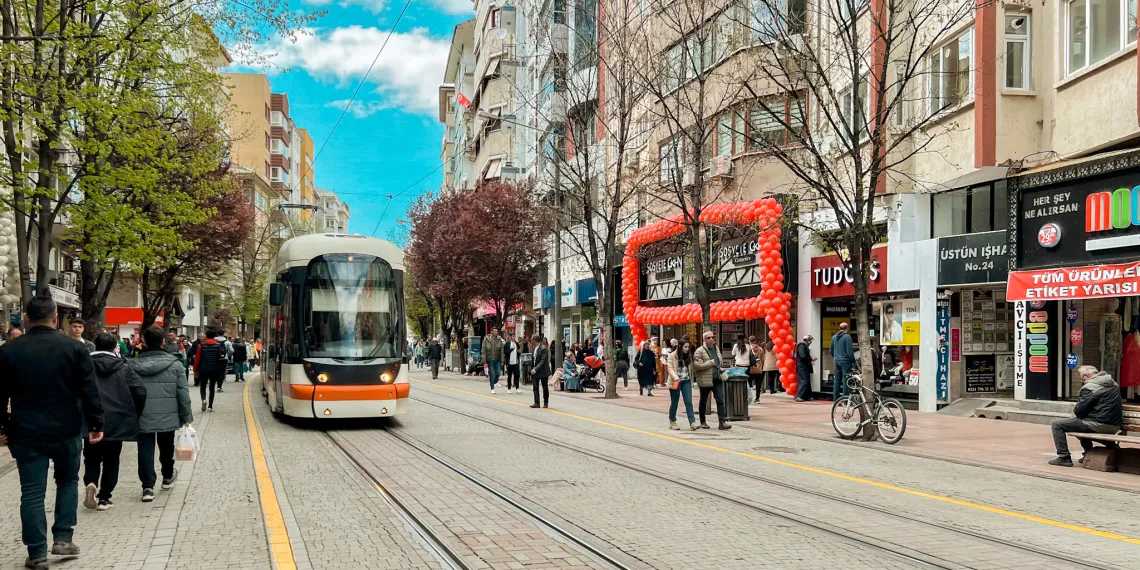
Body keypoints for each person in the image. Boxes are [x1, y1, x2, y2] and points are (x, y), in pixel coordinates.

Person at [0, 296, 105, 570]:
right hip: (67, 428)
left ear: (26, 318)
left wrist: (3, 425)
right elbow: (90, 389)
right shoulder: (74, 348)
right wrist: (96, 423)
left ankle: (36, 552)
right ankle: (63, 538)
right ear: (56, 318)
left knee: (32, 491)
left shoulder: (9, 351)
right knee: (68, 481)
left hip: (25, 430)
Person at [83, 333, 146, 512]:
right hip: (117, 419)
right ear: (114, 347)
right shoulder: (123, 367)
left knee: (91, 456)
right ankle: (104, 498)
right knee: (112, 458)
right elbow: (140, 391)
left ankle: (91, 482)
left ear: (95, 346)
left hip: (91, 419)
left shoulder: (85, 366)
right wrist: (134, 413)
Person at [130, 326, 193, 502]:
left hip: (142, 415)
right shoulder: (175, 364)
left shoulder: (132, 365)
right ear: (163, 341)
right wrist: (186, 416)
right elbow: (182, 392)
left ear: (144, 341)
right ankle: (167, 475)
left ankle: (147, 487)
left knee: (145, 449)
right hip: (168, 413)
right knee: (166, 446)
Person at [1049, 365, 1123, 467]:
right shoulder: (1113, 384)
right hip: (1114, 425)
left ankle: (1064, 457)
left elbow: (1080, 412)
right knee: (1079, 424)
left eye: (1082, 378)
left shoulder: (1090, 387)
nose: (1082, 381)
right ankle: (1092, 452)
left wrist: (1076, 407)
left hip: (1098, 424)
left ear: (1087, 375)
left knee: (1057, 424)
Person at [693, 330, 731, 430]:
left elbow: (718, 362)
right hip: (705, 379)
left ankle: (722, 422)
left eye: (712, 337)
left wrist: (719, 368)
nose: (711, 339)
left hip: (717, 378)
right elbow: (695, 366)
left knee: (720, 399)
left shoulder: (716, 348)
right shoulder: (699, 351)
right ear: (704, 339)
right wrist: (709, 363)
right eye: (708, 338)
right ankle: (703, 421)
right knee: (703, 400)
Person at [667, 339, 698, 431]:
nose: (687, 349)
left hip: (686, 381)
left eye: (688, 347)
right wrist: (676, 377)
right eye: (685, 347)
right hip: (675, 381)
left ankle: (692, 422)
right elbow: (670, 368)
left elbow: (692, 366)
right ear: (680, 346)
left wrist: (698, 362)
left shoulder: (688, 356)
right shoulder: (672, 356)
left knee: (688, 402)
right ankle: (672, 421)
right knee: (674, 402)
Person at [192, 329, 227, 412]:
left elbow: (197, 359)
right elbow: (219, 356)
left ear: (206, 336)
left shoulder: (201, 345)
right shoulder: (218, 345)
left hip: (203, 368)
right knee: (212, 387)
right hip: (214, 369)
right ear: (214, 336)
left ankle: (203, 399)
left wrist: (195, 370)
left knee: (203, 385)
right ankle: (210, 406)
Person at [830, 322, 855, 401]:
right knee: (846, 380)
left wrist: (835, 357)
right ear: (847, 328)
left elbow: (831, 350)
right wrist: (853, 361)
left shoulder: (834, 337)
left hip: (836, 360)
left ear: (839, 328)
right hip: (845, 361)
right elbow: (849, 352)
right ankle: (845, 400)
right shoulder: (847, 337)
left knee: (837, 380)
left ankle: (836, 399)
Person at [529, 335, 550, 408]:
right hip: (535, 370)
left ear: (534, 340)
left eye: (531, 340)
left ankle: (546, 402)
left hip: (543, 370)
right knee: (535, 386)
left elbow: (542, 361)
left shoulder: (543, 349)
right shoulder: (534, 348)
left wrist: (535, 369)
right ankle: (537, 402)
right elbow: (533, 359)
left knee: (545, 386)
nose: (531, 341)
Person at [795, 335, 816, 402]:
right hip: (802, 366)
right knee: (804, 380)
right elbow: (802, 356)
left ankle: (806, 396)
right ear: (807, 340)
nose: (811, 342)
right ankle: (800, 396)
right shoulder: (802, 345)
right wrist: (811, 359)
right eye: (810, 340)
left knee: (806, 380)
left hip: (803, 366)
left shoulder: (803, 345)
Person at [483, 328, 504, 393]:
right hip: (490, 359)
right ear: (491, 332)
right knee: (492, 374)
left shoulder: (499, 340)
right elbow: (483, 351)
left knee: (498, 373)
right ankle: (492, 388)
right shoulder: (486, 339)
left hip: (497, 359)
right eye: (495, 331)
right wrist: (484, 361)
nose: (496, 332)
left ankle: (495, 382)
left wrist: (502, 360)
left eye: (497, 331)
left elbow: (502, 351)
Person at [747, 337, 765, 403]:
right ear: (755, 341)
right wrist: (761, 367)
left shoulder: (748, 348)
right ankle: (757, 398)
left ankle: (747, 397)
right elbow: (763, 360)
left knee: (748, 384)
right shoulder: (760, 349)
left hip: (750, 369)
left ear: (749, 341)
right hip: (758, 369)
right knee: (758, 384)